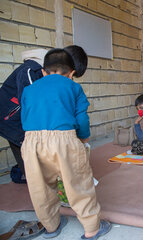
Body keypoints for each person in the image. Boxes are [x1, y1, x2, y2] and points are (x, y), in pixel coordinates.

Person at [20, 47, 111, 239]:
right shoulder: (73, 87)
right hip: (64, 139)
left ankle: (51, 226)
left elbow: (25, 116)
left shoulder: (29, 90)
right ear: (71, 73)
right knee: (78, 184)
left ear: (43, 72)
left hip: (31, 142)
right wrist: (83, 137)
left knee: (41, 188)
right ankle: (92, 228)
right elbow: (82, 118)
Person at [0, 48, 47, 182]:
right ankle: (33, 180)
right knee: (24, 152)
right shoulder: (29, 71)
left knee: (27, 152)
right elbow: (31, 101)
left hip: (16, 117)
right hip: (10, 120)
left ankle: (30, 175)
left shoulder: (34, 70)